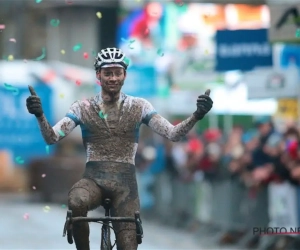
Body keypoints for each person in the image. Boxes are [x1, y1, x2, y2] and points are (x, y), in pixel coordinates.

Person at [26, 47, 213, 250]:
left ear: (125, 75)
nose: (113, 78)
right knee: (77, 200)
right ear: (98, 75)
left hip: (125, 186)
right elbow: (52, 137)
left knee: (127, 245)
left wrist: (197, 115)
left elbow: (173, 134)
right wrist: (40, 115)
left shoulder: (140, 106)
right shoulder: (82, 107)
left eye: (117, 72)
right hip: (93, 181)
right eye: (108, 73)